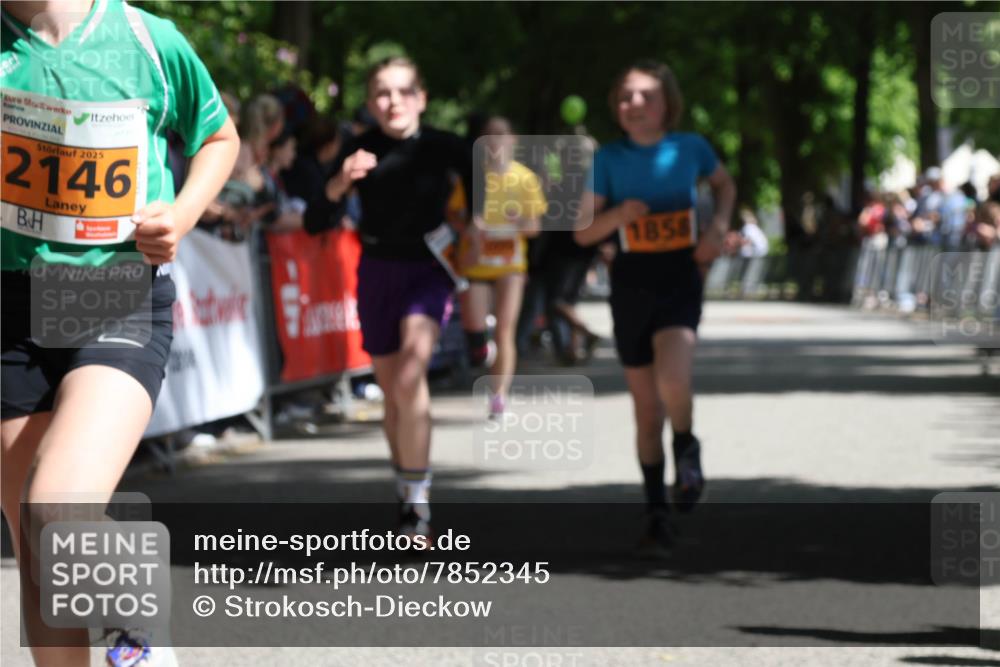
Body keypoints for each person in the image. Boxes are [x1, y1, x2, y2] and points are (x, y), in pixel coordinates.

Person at [1, 1, 239, 666]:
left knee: (56, 509)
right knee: (39, 550)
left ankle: (134, 597)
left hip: (111, 291)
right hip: (6, 307)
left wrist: (182, 216)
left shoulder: (145, 37)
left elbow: (219, 137)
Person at [305, 56, 476, 539]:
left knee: (408, 374)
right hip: (377, 271)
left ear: (421, 98)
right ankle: (406, 486)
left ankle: (418, 504)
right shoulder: (358, 148)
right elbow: (316, 219)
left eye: (403, 91)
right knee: (394, 398)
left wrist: (478, 224)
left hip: (429, 268)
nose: (393, 101)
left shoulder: (444, 146)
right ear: (371, 101)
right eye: (383, 92)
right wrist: (341, 182)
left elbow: (490, 177)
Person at [574, 60, 735, 556]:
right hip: (631, 286)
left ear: (667, 103)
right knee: (646, 412)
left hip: (679, 280)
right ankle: (655, 511)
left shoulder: (691, 148)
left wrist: (716, 228)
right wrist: (618, 214)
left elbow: (723, 186)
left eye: (646, 96)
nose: (634, 105)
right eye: (625, 97)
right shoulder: (607, 159)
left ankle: (685, 444)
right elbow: (583, 231)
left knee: (675, 378)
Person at [459, 116, 547, 417]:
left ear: (513, 141)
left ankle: (499, 396)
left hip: (511, 264)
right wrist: (470, 226)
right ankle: (480, 345)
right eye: (489, 136)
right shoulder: (472, 177)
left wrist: (517, 222)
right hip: (477, 263)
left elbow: (534, 227)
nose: (495, 141)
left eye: (501, 135)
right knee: (475, 327)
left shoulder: (524, 179)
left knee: (505, 331)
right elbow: (455, 215)